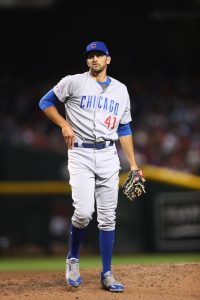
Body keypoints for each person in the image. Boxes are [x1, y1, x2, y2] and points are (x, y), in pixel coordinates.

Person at [39, 41, 144, 292]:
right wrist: (64, 124)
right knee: (84, 212)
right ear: (86, 61)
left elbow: (124, 127)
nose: (94, 59)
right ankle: (73, 258)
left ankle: (107, 273)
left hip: (109, 154)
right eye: (90, 56)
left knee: (108, 218)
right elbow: (45, 102)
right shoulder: (73, 82)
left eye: (99, 55)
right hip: (80, 154)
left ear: (108, 59)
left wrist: (134, 164)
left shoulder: (121, 90)